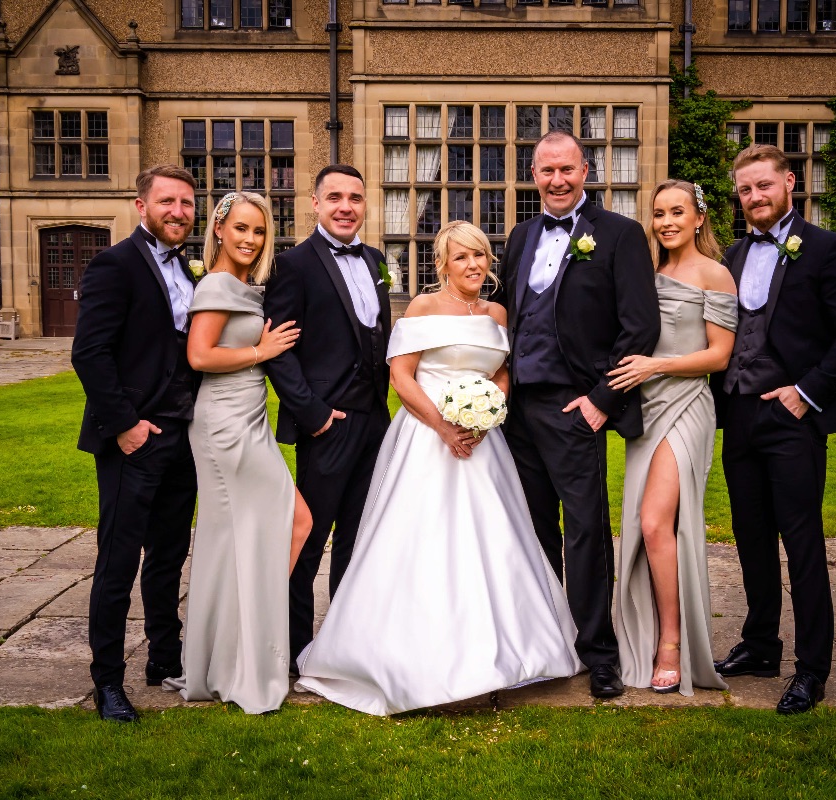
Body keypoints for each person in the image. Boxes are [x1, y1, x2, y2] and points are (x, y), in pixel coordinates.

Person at [295, 222, 582, 715]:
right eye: (462, 257)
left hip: (482, 444)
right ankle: (410, 658)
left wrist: (489, 412)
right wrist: (445, 428)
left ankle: (497, 656)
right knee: (422, 541)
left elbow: (502, 371)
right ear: (442, 264)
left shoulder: (497, 313)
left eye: (481, 256)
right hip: (427, 440)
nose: (474, 265)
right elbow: (402, 378)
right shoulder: (423, 308)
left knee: (493, 542)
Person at [489, 130, 660, 699]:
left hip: (574, 408)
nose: (557, 180)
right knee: (533, 529)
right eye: (546, 171)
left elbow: (639, 328)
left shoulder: (620, 235)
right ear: (532, 175)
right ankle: (544, 641)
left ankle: (598, 651)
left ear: (586, 170)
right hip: (517, 412)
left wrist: (600, 401)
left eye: (567, 169)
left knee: (586, 531)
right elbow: (510, 316)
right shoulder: (520, 235)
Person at [711, 144, 836, 714]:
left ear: (790, 183)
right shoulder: (731, 255)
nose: (754, 197)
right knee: (750, 538)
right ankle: (760, 645)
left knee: (802, 543)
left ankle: (813, 668)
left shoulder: (827, 249)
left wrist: (806, 393)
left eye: (763, 185)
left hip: (792, 417)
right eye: (745, 190)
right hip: (737, 414)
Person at [162, 192, 312, 713]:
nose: (251, 240)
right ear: (220, 228)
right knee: (296, 522)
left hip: (250, 417)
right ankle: (242, 652)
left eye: (260, 232)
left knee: (241, 539)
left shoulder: (246, 287)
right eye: (242, 229)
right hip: (224, 425)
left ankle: (231, 654)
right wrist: (261, 351)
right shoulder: (217, 284)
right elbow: (200, 354)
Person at [71, 164, 200, 723]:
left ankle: (163, 659)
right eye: (168, 201)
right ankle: (107, 683)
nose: (179, 212)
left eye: (187, 203)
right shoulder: (114, 264)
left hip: (183, 438)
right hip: (133, 440)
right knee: (118, 561)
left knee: (170, 556)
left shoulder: (193, 274)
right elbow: (89, 353)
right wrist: (125, 424)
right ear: (141, 205)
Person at [608, 180, 737, 696]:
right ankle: (636, 633)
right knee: (643, 528)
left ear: (698, 218)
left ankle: (671, 644)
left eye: (677, 212)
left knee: (656, 522)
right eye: (658, 213)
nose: (666, 222)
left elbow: (719, 355)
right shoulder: (646, 272)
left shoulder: (715, 274)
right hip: (644, 409)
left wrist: (656, 366)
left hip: (685, 405)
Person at [263, 165, 392, 673]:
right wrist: (313, 415)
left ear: (365, 204)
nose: (345, 206)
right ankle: (293, 650)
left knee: (359, 541)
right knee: (310, 536)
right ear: (315, 203)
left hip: (374, 423)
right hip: (328, 424)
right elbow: (278, 350)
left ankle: (342, 644)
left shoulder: (378, 260)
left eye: (355, 198)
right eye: (334, 197)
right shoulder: (293, 265)